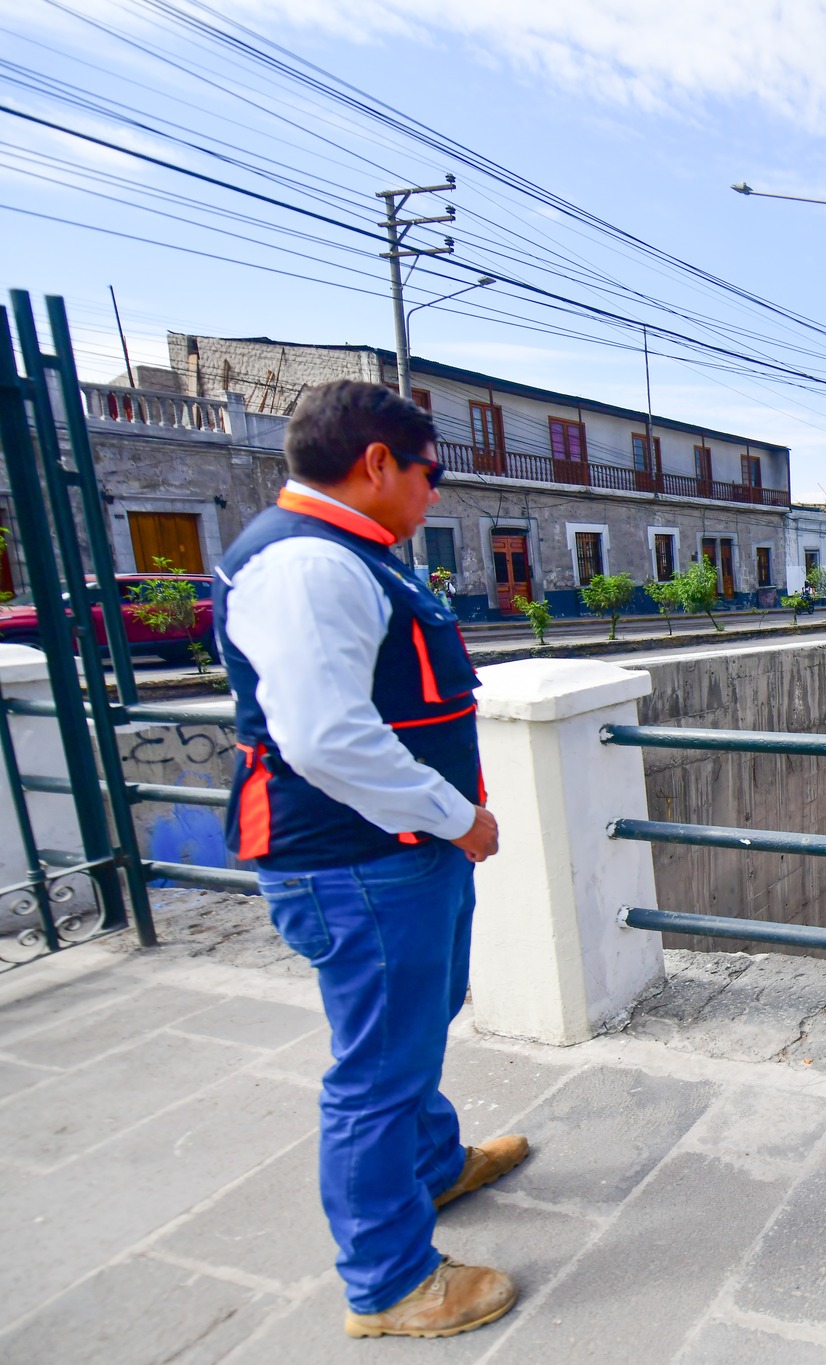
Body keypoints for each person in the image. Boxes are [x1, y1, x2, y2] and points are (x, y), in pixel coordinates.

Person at [217, 381, 527, 1340]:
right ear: (378, 462)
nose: (435, 492)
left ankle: (431, 1167)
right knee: (378, 1071)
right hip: (359, 860)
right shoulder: (309, 564)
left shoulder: (349, 553)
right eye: (430, 473)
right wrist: (456, 818)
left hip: (391, 855)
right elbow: (327, 739)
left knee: (413, 1031)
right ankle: (390, 1282)